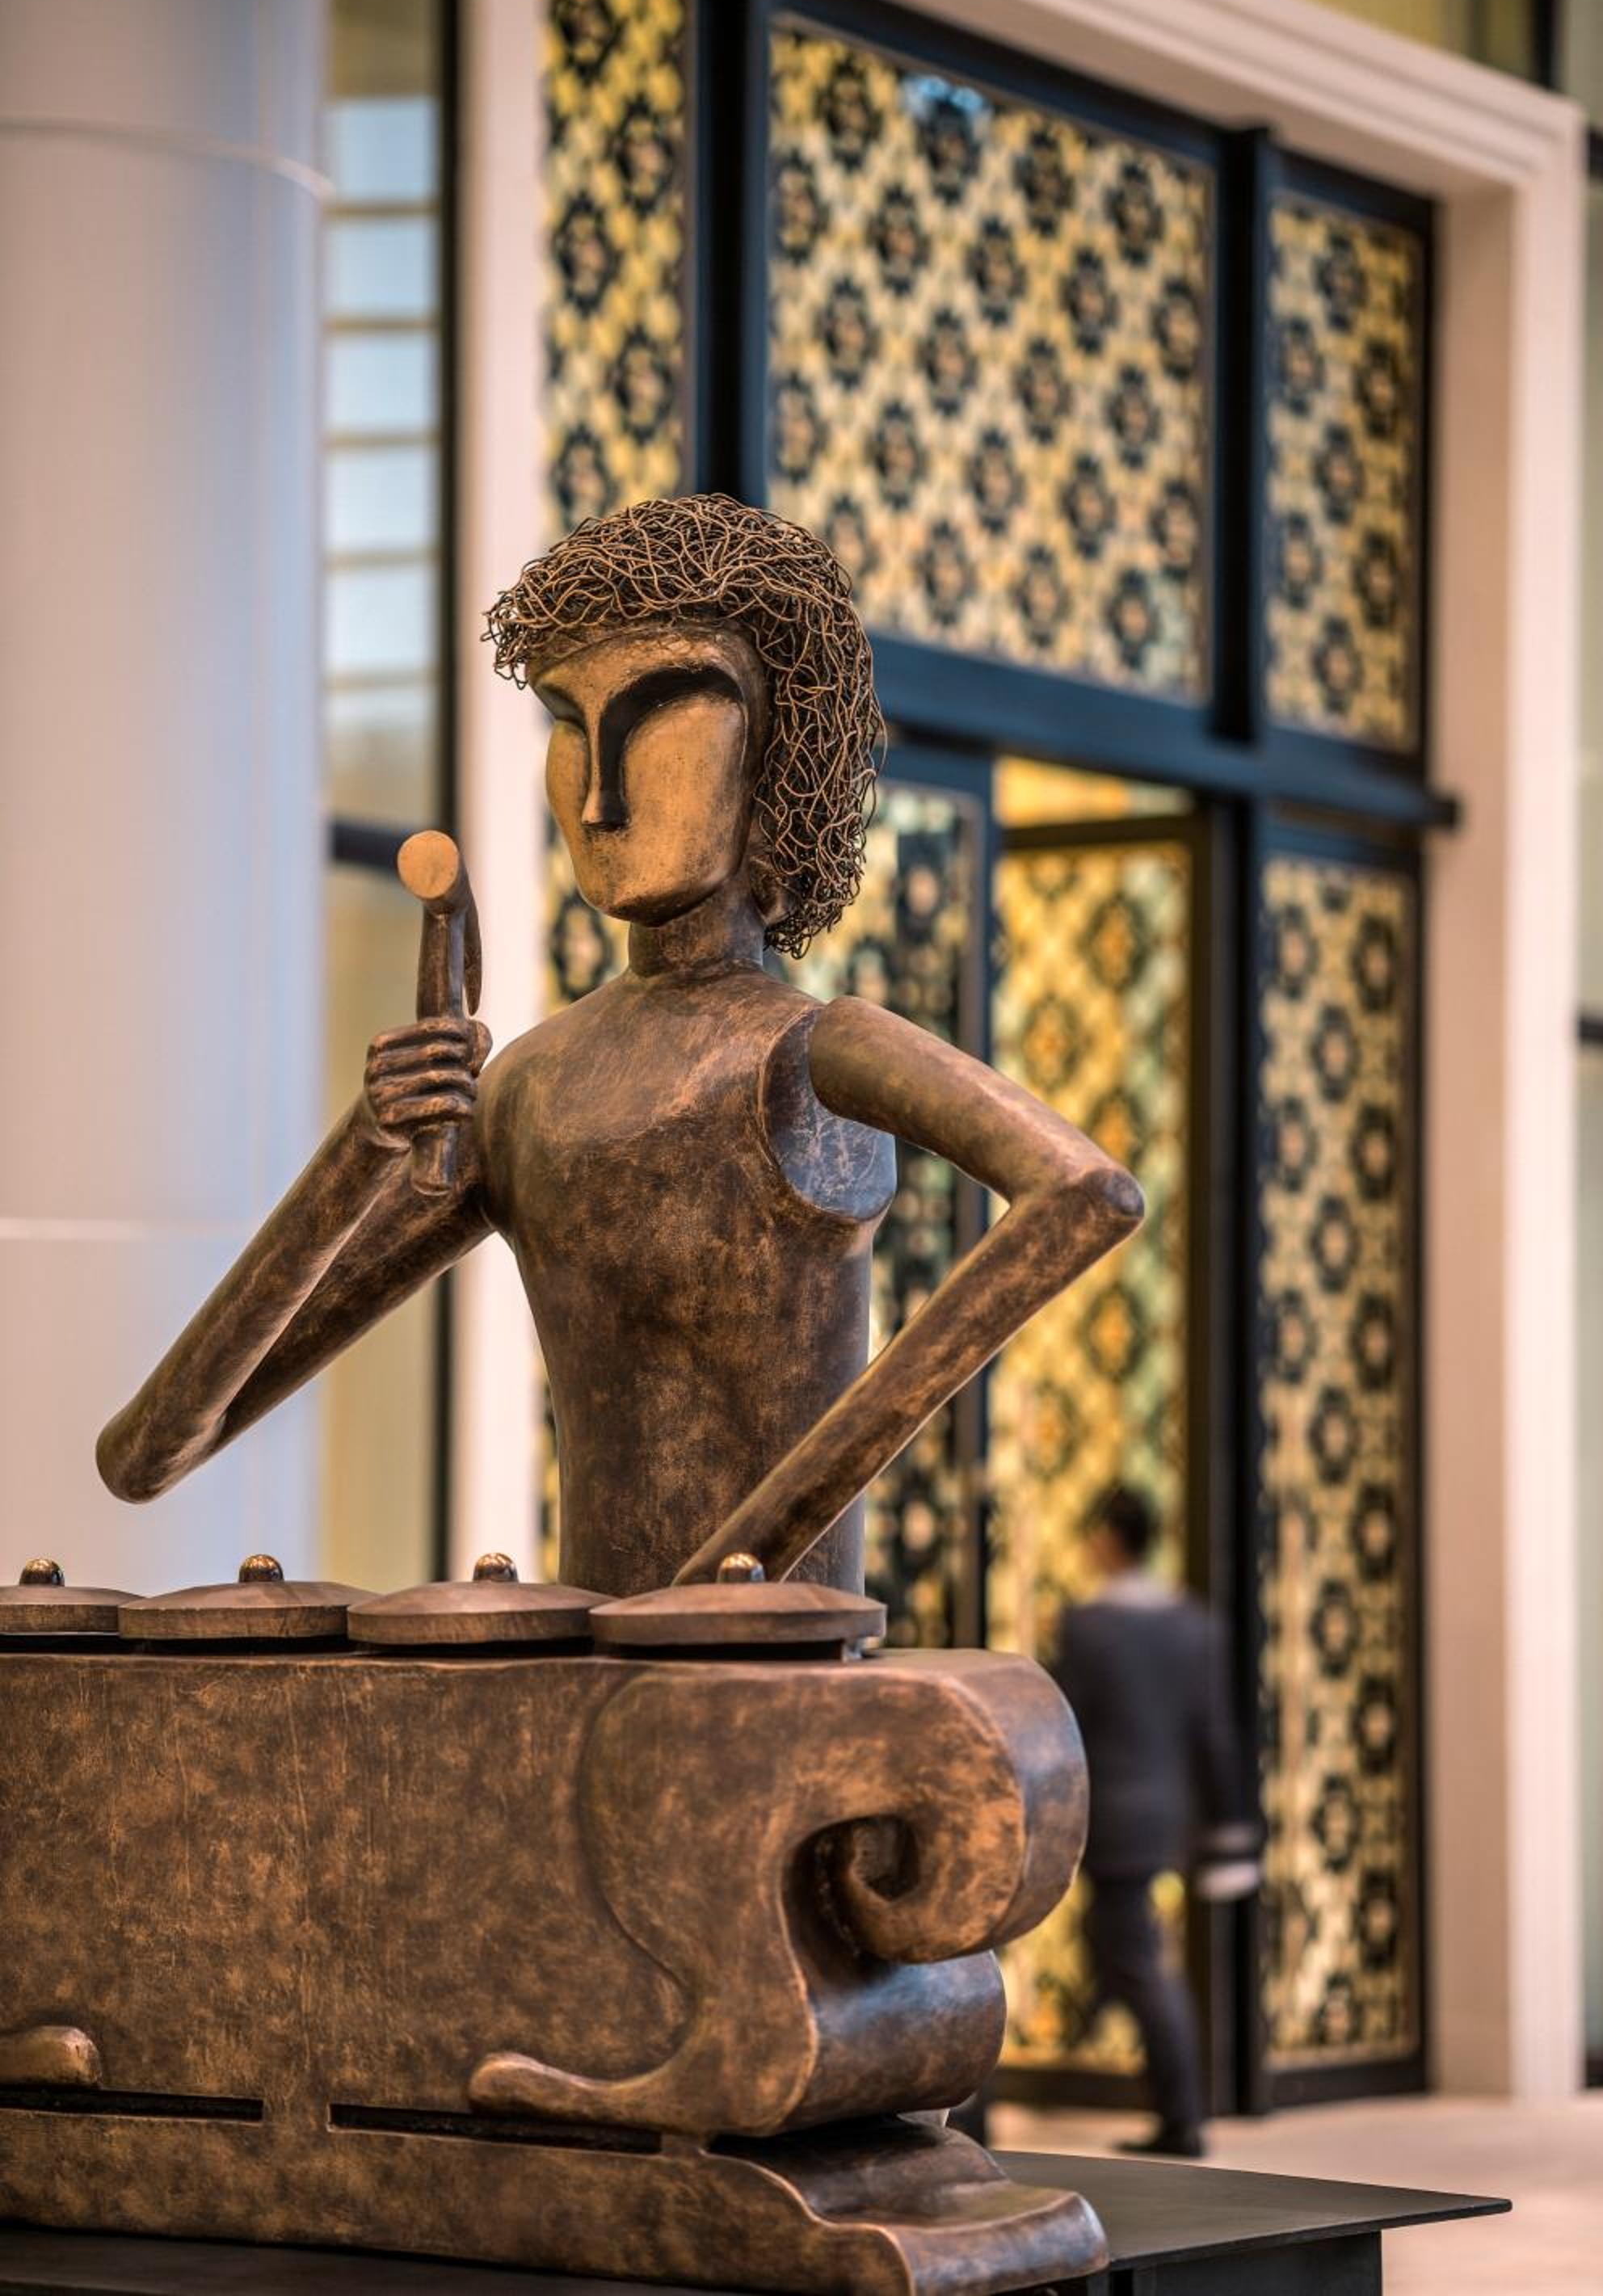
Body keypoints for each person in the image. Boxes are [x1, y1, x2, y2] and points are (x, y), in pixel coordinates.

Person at [96, 494, 1142, 1597]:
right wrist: (364, 1147)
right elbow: (149, 1451)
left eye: (661, 719)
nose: (600, 797)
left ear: (776, 754)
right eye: (568, 724)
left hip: (775, 1665)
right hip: (594, 1666)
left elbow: (1082, 1194)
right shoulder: (528, 1089)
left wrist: (758, 1541)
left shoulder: (810, 1056)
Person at [1054, 1485, 1260, 2158]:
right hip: (1168, 1816)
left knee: (1135, 1961)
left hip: (1110, 1817)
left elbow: (1062, 1725)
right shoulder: (1194, 1624)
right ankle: (1172, 2104)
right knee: (1124, 1949)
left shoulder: (1088, 1626)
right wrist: (1230, 1826)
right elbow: (1216, 1733)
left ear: (1108, 1539)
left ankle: (1182, 2117)